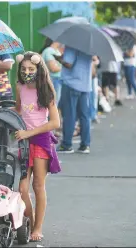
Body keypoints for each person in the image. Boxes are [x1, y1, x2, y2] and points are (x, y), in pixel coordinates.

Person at [14, 51, 60, 242]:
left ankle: (37, 228)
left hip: (40, 140)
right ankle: (29, 223)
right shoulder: (19, 86)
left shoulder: (46, 89)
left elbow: (55, 122)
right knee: (22, 189)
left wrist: (29, 133)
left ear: (38, 69)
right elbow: (18, 110)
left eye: (31, 69)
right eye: (23, 69)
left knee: (38, 185)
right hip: (23, 141)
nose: (27, 72)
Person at [55, 47, 92, 154]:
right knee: (84, 116)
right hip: (85, 85)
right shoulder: (89, 47)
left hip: (71, 84)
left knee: (69, 115)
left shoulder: (71, 45)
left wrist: (59, 59)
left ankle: (67, 145)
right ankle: (85, 145)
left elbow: (69, 64)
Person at [40, 38, 63, 106]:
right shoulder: (49, 51)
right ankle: (51, 116)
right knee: (53, 103)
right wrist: (65, 68)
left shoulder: (56, 51)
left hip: (58, 80)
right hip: (54, 80)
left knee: (56, 102)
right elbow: (53, 68)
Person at [90, 56, 100, 123]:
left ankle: (93, 115)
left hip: (93, 77)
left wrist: (95, 61)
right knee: (91, 97)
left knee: (93, 96)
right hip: (88, 77)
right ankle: (92, 115)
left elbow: (98, 61)